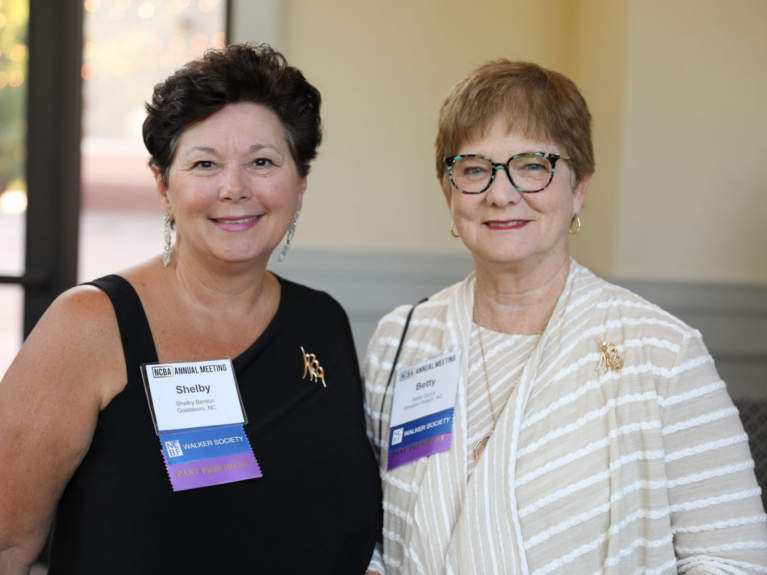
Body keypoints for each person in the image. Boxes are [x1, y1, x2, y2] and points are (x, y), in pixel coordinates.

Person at [364, 60, 767, 574]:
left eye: (533, 164)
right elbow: (370, 534)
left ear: (578, 189)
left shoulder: (662, 354)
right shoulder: (402, 340)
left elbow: (733, 561)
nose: (501, 193)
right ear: (449, 192)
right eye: (473, 168)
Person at [0, 44, 381, 574]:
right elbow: (6, 545)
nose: (234, 188)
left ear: (300, 183)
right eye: (205, 163)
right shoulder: (89, 326)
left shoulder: (322, 322)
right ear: (163, 185)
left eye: (262, 162)